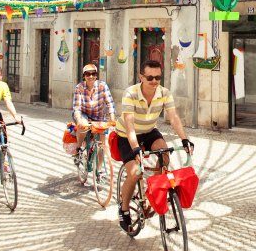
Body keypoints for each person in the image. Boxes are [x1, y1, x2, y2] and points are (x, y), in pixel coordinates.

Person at [117, 59, 193, 231]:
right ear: (141, 77)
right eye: (150, 78)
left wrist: (184, 139)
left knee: (165, 156)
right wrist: (135, 147)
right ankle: (124, 209)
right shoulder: (130, 93)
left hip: (149, 131)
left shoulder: (164, 93)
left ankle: (154, 190)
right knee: (135, 172)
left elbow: (173, 118)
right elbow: (129, 123)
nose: (154, 81)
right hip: (127, 134)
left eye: (158, 77)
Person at [71, 63, 116, 165]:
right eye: (87, 74)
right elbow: (77, 108)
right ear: (84, 76)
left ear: (96, 75)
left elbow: (110, 103)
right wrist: (79, 121)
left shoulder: (102, 86)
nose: (90, 76)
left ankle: (99, 171)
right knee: (83, 126)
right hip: (84, 114)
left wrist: (112, 118)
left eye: (93, 74)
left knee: (101, 145)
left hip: (99, 116)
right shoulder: (79, 87)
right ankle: (78, 148)